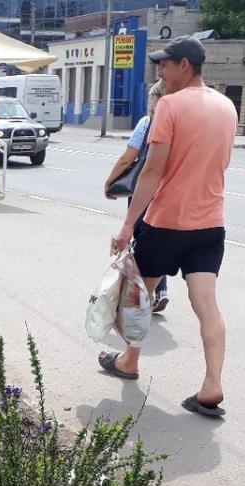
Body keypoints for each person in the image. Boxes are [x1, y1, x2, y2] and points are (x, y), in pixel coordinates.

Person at [103, 36, 237, 419]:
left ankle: (129, 361)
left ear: (185, 65)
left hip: (165, 223)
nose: (160, 71)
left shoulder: (170, 107)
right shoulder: (227, 107)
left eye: (165, 63)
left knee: (140, 297)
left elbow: (153, 170)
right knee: (206, 305)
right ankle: (213, 384)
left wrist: (129, 224)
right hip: (210, 225)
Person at [103, 80, 168, 313]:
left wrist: (110, 181)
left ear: (157, 98)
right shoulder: (183, 123)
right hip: (172, 192)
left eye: (153, 97)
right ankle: (160, 290)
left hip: (145, 190)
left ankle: (138, 297)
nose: (151, 102)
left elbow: (128, 158)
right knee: (162, 240)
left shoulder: (148, 123)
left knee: (141, 239)